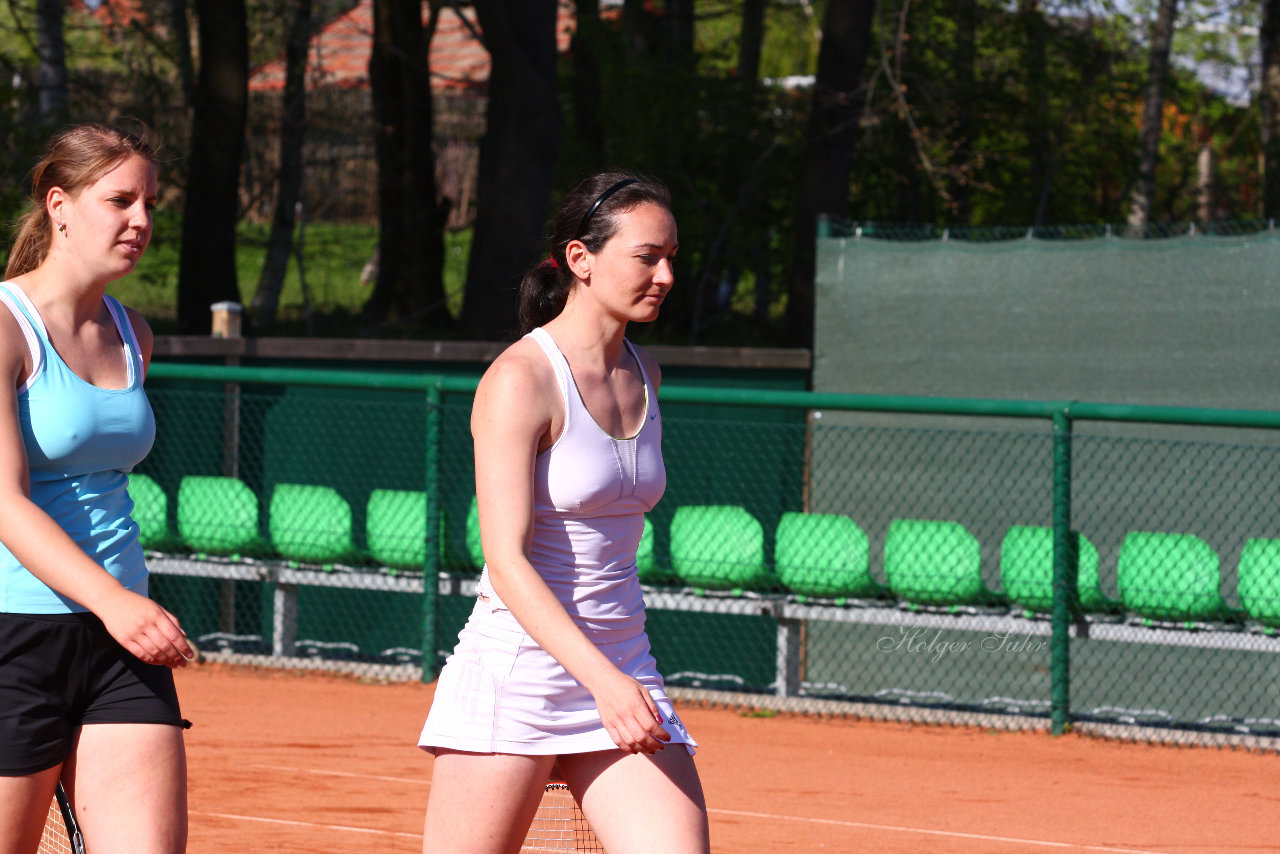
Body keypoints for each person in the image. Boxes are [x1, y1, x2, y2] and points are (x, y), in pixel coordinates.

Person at [419, 173, 710, 854]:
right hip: (519, 675)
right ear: (581, 259)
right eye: (646, 257)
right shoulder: (520, 379)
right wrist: (604, 682)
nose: (665, 275)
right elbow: (506, 559)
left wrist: (617, 679)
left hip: (623, 662)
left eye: (671, 257)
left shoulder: (646, 372)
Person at [0, 123, 194, 854]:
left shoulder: (132, 333)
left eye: (150, 202)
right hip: (16, 633)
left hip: (120, 643)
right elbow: (4, 502)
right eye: (120, 201)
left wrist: (119, 609)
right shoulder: (5, 325)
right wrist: (115, 603)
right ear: (59, 205)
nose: (141, 221)